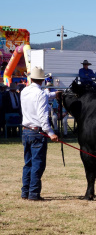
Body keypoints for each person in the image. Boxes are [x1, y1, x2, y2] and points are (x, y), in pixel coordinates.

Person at [20, 66, 59, 201]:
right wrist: (51, 133)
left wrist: (54, 94)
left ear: (31, 78)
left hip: (26, 130)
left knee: (28, 163)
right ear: (42, 81)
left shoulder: (24, 91)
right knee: (38, 163)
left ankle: (25, 192)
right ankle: (34, 193)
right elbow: (43, 116)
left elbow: (41, 95)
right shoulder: (41, 94)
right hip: (37, 132)